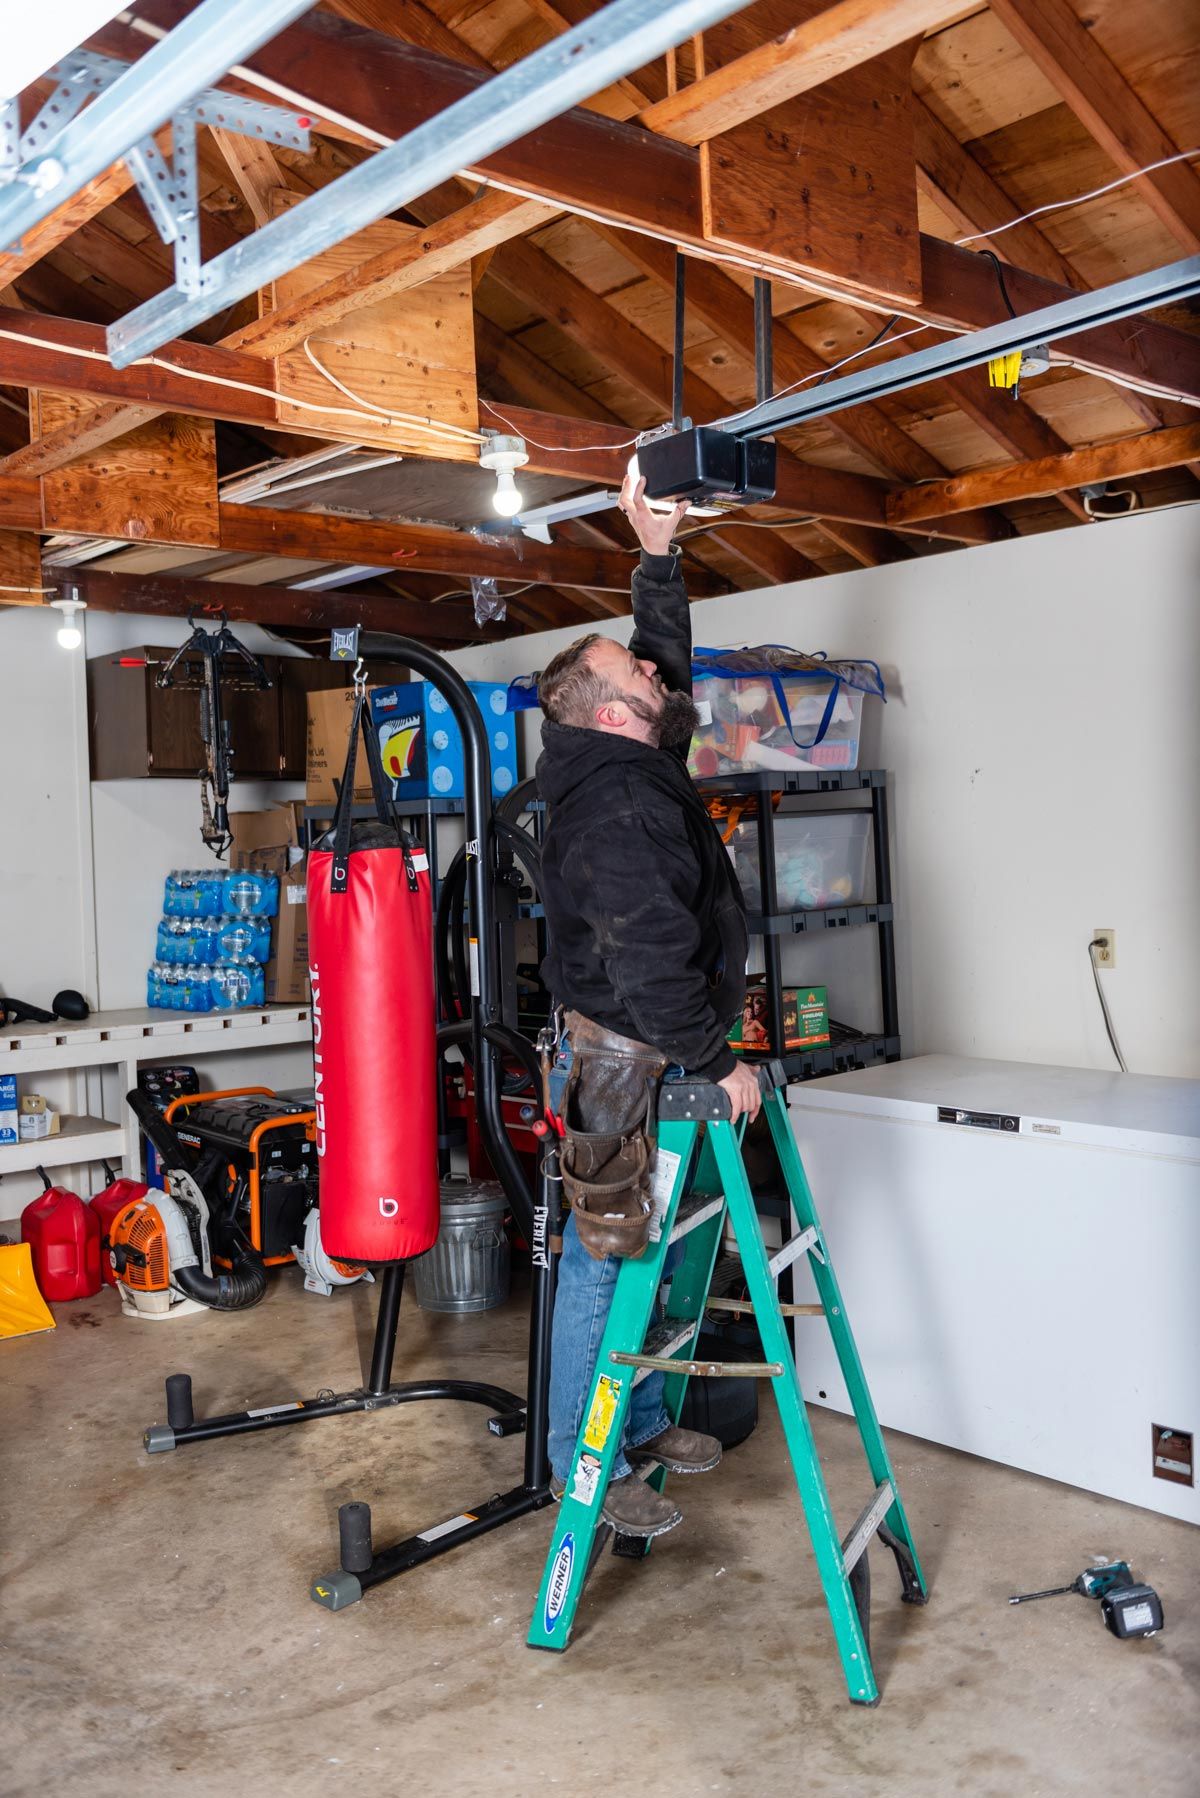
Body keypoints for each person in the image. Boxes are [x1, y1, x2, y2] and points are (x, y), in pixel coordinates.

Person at [536, 468, 761, 1539]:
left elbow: (661, 661)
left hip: (652, 1052)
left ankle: (646, 1417)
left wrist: (656, 554)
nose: (653, 672)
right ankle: (582, 1460)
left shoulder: (619, 749)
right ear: (617, 707)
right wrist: (718, 1061)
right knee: (607, 1261)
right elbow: (647, 964)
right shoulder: (615, 805)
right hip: (633, 1061)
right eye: (634, 668)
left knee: (668, 1251)